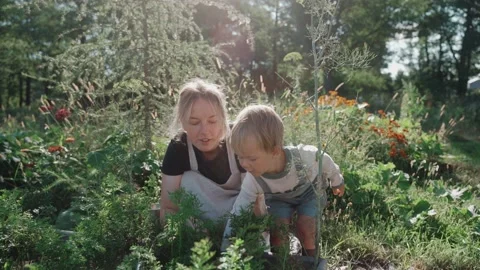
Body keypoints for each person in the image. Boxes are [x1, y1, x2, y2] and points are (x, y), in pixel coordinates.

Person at [222, 104, 345, 256]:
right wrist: (225, 249)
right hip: (278, 199)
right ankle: (282, 262)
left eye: (252, 158)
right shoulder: (253, 179)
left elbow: (323, 159)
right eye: (240, 157)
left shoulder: (302, 157)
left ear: (275, 151)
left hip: (309, 192)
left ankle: (310, 262)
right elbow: (238, 211)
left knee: (306, 227)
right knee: (277, 232)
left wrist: (337, 180)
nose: (244, 164)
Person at [160, 79, 247, 223]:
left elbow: (255, 199)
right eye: (194, 122)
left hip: (239, 216)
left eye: (212, 121)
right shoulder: (178, 148)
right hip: (199, 225)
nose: (205, 131)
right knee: (188, 180)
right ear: (183, 122)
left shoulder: (239, 138)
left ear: (223, 118)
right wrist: (194, 233)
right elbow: (169, 208)